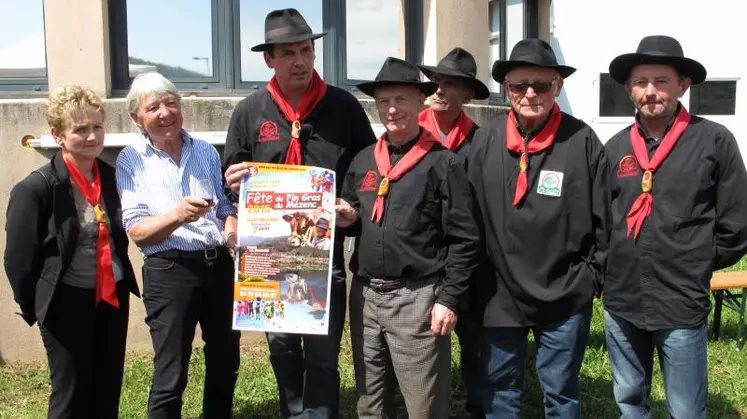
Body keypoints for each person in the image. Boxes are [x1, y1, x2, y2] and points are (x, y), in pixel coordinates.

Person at [222, 8, 376, 419]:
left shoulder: (344, 108)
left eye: (306, 50)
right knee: (283, 348)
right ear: (269, 59)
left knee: (324, 355)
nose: (301, 61)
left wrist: (353, 209)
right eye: (288, 53)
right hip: (268, 257)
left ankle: (320, 414)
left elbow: (370, 173)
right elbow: (228, 182)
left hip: (326, 259)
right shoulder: (249, 111)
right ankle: (294, 411)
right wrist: (234, 184)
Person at [602, 35, 747, 419]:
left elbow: (737, 222)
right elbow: (600, 220)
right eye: (641, 82)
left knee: (684, 408)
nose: (651, 91)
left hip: (681, 299)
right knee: (629, 398)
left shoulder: (714, 141)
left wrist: (696, 262)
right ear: (629, 89)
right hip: (622, 300)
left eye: (661, 81)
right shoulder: (615, 148)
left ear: (683, 84)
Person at [467, 39, 610, 418]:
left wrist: (592, 278)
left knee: (561, 394)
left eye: (542, 85)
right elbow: (463, 216)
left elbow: (606, 220)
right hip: (499, 296)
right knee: (500, 394)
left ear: (558, 87)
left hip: (564, 294)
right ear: (507, 88)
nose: (530, 93)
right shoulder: (484, 141)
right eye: (519, 85)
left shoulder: (583, 142)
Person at [336, 56, 480, 418]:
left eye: (401, 99)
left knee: (424, 405)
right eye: (384, 100)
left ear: (421, 102)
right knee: (370, 400)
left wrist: (448, 299)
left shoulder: (443, 163)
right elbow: (356, 218)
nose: (392, 109)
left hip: (416, 297)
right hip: (366, 294)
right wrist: (347, 216)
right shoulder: (365, 159)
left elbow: (465, 239)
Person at [4, 85, 140, 419]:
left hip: (112, 297)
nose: (93, 136)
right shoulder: (36, 188)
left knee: (107, 387)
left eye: (97, 126)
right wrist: (36, 304)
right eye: (80, 129)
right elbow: (18, 261)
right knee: (71, 393)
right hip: (66, 302)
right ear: (58, 135)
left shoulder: (109, 177)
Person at [115, 72, 240, 419]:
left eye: (171, 103)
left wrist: (231, 233)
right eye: (153, 107)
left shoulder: (204, 151)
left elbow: (225, 208)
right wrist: (178, 215)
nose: (165, 112)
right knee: (171, 370)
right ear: (136, 117)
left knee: (226, 360)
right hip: (169, 270)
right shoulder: (131, 159)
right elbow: (137, 230)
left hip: (218, 267)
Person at [418, 46, 490, 419]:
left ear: (469, 95)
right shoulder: (409, 137)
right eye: (437, 81)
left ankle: (477, 407)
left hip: (470, 263)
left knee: (475, 343)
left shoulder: (482, 143)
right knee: (421, 345)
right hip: (421, 261)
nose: (441, 90)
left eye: (452, 84)